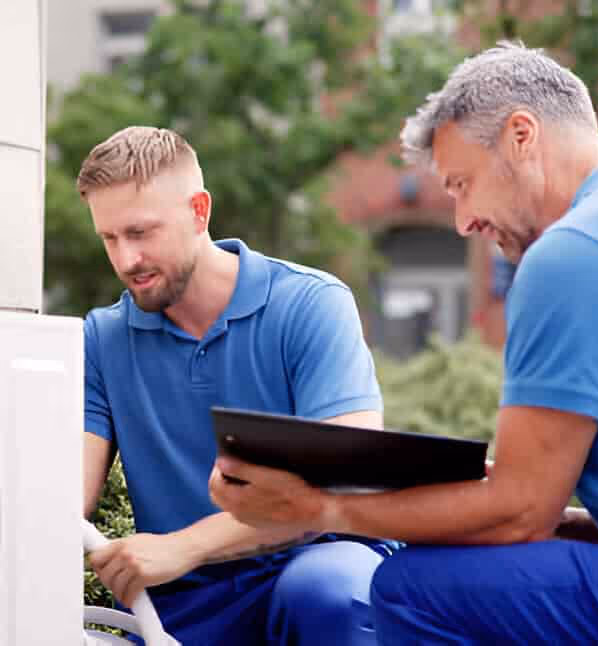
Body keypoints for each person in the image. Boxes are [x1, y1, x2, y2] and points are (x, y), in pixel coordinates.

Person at [210, 41, 598, 645]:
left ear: (521, 136)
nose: (462, 221)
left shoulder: (574, 253)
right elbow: (556, 507)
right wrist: (509, 505)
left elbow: (517, 514)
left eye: (462, 183)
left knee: (414, 586)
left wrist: (320, 511)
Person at [78, 126, 390, 645]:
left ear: (199, 211)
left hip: (314, 568)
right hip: (181, 601)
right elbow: (65, 495)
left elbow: (347, 477)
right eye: (110, 238)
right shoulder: (103, 338)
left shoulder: (311, 305)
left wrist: (187, 544)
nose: (126, 259)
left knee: (327, 589)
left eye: (141, 233)